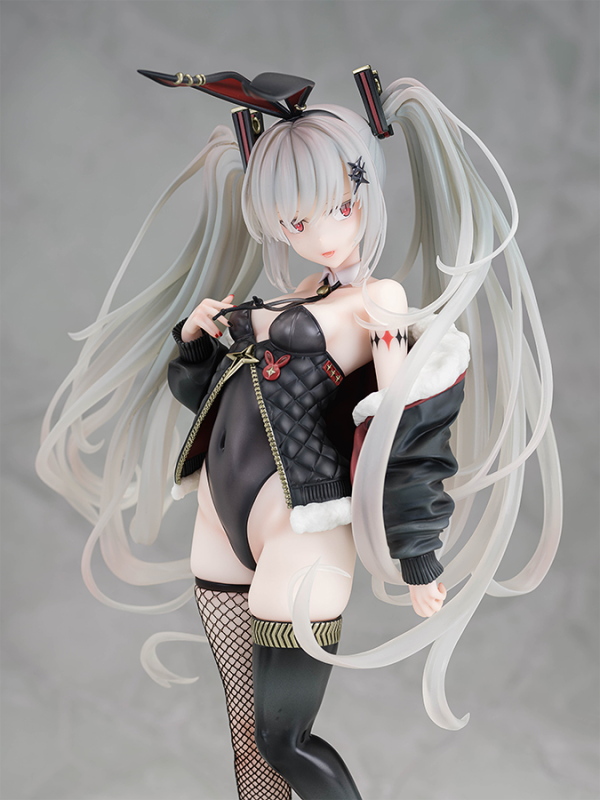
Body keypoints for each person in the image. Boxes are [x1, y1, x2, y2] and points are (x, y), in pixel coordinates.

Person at [36, 68, 562, 800]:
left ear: (364, 197)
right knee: (249, 743)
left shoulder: (378, 300)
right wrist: (195, 343)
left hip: (302, 527)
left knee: (284, 740)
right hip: (220, 518)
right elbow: (217, 398)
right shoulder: (297, 293)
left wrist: (417, 554)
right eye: (294, 219)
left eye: (337, 207)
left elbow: (405, 428)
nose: (318, 233)